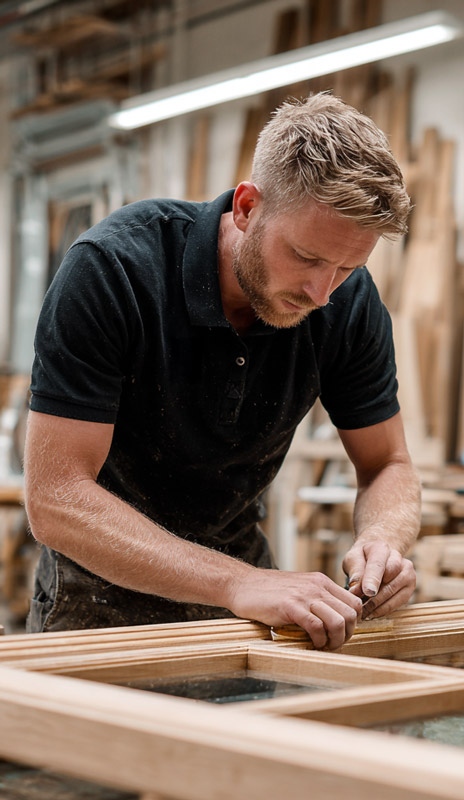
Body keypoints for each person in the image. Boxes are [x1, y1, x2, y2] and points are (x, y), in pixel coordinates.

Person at [24, 92, 420, 649]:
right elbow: (56, 499)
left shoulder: (345, 303)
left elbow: (387, 464)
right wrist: (239, 582)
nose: (320, 291)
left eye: (347, 267)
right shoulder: (114, 271)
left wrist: (383, 537)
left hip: (246, 604)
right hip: (98, 602)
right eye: (306, 257)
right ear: (247, 207)